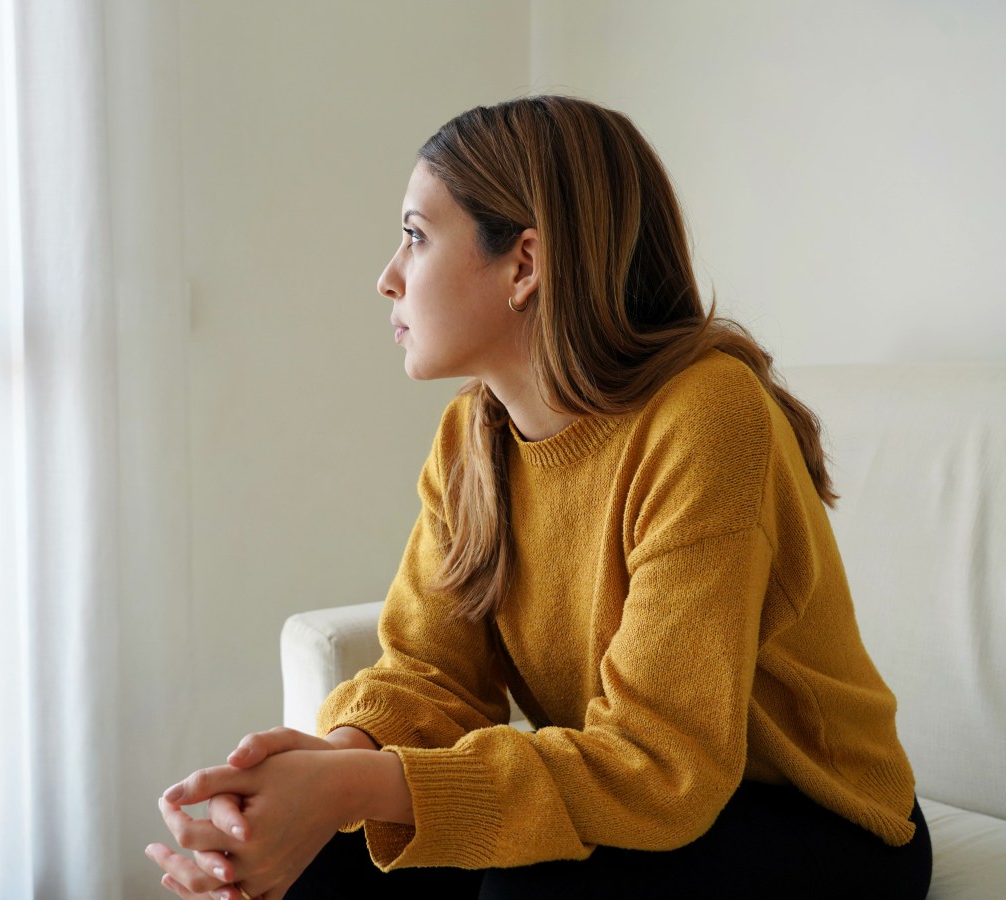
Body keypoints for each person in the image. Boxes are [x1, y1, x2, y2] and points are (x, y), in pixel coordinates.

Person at [145, 96, 933, 899]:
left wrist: (358, 785)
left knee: (528, 888)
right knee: (334, 858)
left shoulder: (707, 417)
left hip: (819, 820)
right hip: (649, 795)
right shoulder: (471, 438)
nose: (387, 278)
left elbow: (664, 765)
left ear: (524, 264)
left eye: (416, 237)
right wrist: (331, 765)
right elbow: (433, 674)